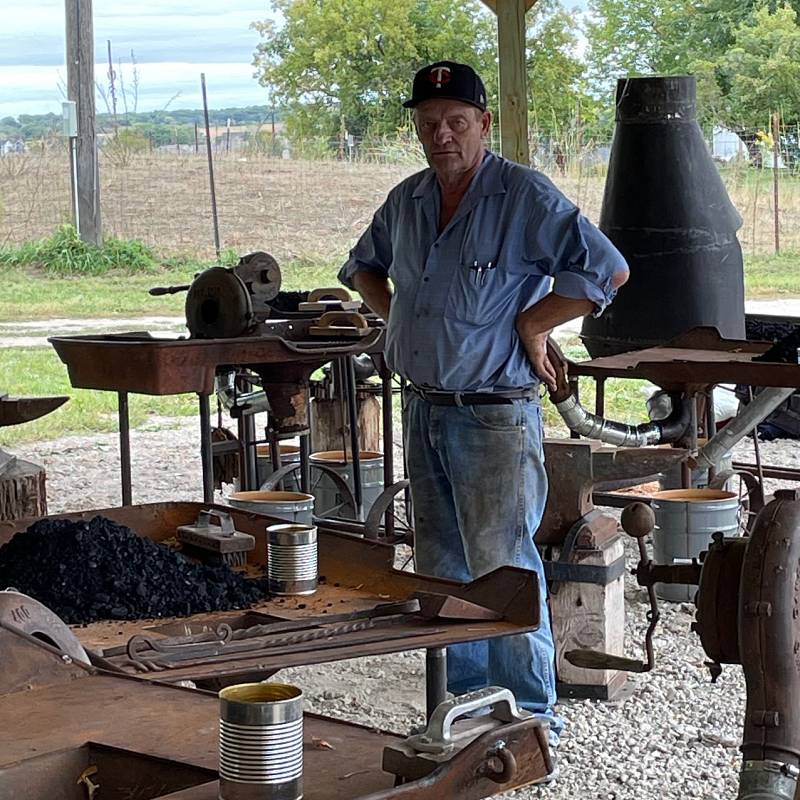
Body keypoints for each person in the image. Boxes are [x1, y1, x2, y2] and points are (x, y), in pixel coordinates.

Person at [338, 60, 629, 749]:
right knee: (442, 563)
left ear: (483, 124)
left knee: (504, 562)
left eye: (456, 122)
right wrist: (398, 318)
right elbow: (362, 267)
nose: (442, 135)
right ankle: (464, 707)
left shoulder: (522, 197)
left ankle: (530, 715)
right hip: (424, 407)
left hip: (494, 412)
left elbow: (606, 269)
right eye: (428, 123)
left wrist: (534, 325)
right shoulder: (408, 201)